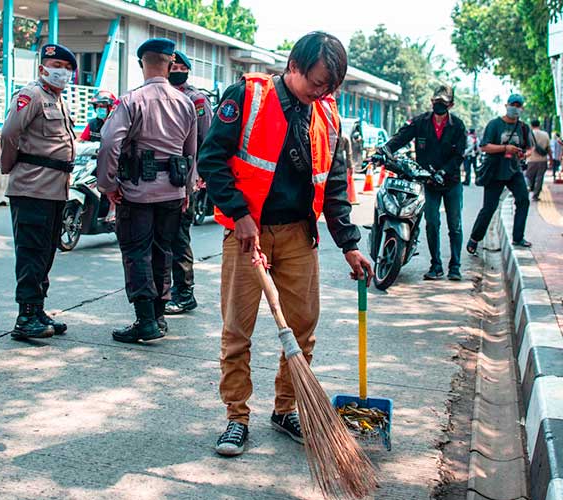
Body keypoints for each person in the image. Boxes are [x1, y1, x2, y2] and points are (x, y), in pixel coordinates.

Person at [198, 32, 371, 456]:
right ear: (294, 66)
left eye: (330, 87)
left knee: (303, 327)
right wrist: (239, 215)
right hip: (247, 236)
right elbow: (211, 159)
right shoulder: (247, 97)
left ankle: (286, 409)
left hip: (298, 235)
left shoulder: (327, 116)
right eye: (317, 82)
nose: (322, 92)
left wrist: (348, 242)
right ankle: (236, 418)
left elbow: (332, 185)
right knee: (238, 331)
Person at [97, 38, 197, 343]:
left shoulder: (131, 101)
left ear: (143, 63)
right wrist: (187, 192)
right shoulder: (186, 102)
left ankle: (145, 321)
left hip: (137, 192)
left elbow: (109, 144)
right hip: (173, 192)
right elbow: (190, 152)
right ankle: (159, 316)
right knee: (163, 252)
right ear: (169, 63)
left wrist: (108, 185)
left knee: (137, 253)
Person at [0, 44, 77, 340]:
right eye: (57, 65)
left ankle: (38, 308)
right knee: (31, 253)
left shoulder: (58, 100)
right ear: (43, 67)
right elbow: (9, 133)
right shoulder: (30, 95)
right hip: (32, 187)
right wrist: (9, 168)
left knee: (46, 253)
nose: (63, 72)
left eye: (68, 68)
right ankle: (25, 315)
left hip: (55, 189)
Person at [382, 85, 467, 281]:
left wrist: (444, 172)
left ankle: (455, 266)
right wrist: (384, 150)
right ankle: (435, 265)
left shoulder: (458, 126)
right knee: (432, 223)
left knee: (455, 225)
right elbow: (401, 138)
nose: (439, 106)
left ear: (451, 105)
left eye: (443, 103)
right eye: (436, 102)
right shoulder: (420, 122)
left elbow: (459, 156)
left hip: (451, 182)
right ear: (431, 102)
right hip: (428, 182)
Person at [165, 50, 214, 315]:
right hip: (160, 177)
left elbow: (207, 139)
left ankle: (184, 292)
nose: (174, 69)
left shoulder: (196, 99)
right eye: (170, 65)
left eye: (179, 66)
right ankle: (165, 289)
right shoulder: (159, 94)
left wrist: (201, 175)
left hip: (186, 176)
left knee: (179, 235)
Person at [467, 94, 534, 253]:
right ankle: (474, 239)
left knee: (523, 200)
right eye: (513, 104)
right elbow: (485, 147)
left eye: (518, 105)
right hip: (495, 171)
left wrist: (523, 154)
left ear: (522, 108)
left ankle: (518, 237)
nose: (515, 108)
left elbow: (530, 148)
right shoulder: (494, 124)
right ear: (506, 105)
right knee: (489, 208)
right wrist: (505, 148)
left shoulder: (523, 127)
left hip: (514, 170)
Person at [525, 119, 550, 201]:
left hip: (531, 159)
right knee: (539, 178)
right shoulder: (545, 134)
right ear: (539, 125)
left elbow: (526, 147)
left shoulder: (529, 134)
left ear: (531, 125)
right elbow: (548, 148)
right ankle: (535, 196)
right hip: (543, 160)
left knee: (529, 177)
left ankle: (526, 192)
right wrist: (551, 159)